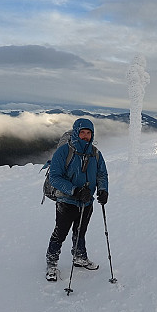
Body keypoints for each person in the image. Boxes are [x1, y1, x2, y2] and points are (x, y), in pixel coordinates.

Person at [45, 117, 109, 281]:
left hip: (86, 202)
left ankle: (79, 257)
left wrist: (103, 190)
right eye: (82, 132)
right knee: (60, 233)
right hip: (66, 202)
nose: (86, 136)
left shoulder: (95, 153)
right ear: (76, 133)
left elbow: (101, 174)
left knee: (80, 232)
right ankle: (51, 265)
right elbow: (55, 177)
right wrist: (75, 191)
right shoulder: (64, 152)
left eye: (89, 133)